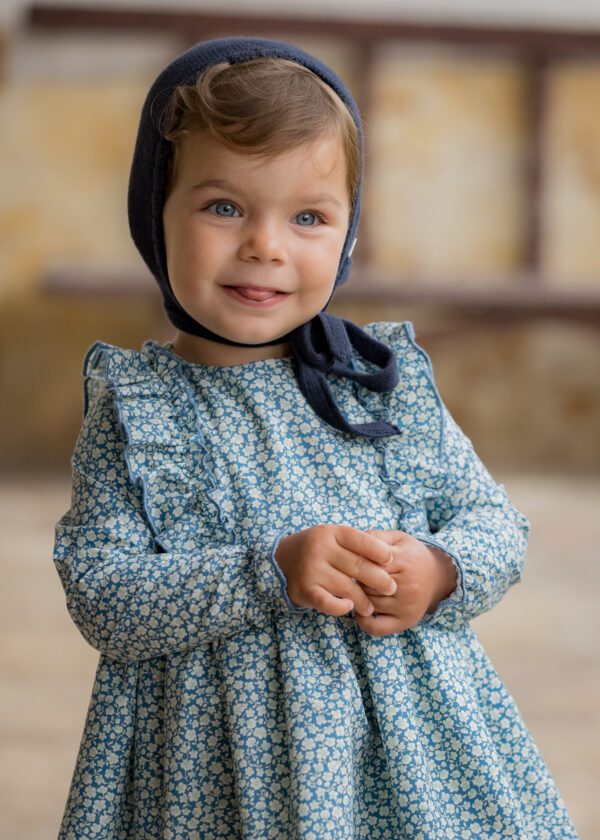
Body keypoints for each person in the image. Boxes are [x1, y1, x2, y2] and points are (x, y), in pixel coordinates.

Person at [53, 36, 580, 839]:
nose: (266, 244)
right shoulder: (138, 406)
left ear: (348, 233)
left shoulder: (377, 380)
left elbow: (495, 521)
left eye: (307, 216)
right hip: (214, 772)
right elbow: (103, 595)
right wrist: (268, 571)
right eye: (223, 206)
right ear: (154, 213)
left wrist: (439, 570)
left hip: (410, 768)